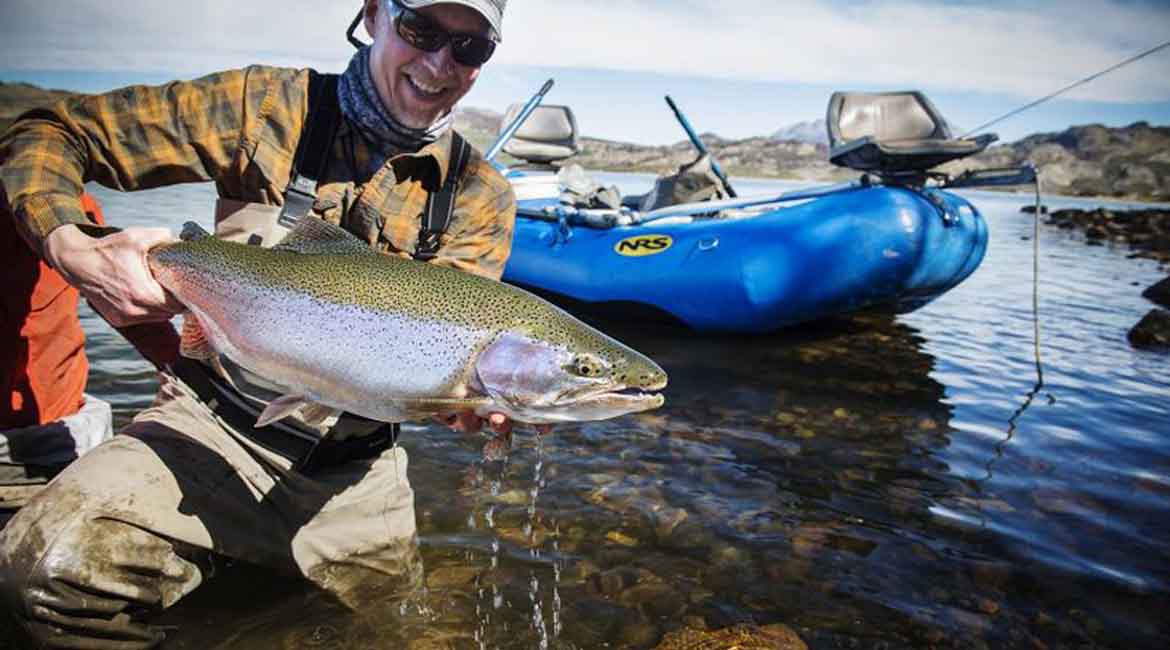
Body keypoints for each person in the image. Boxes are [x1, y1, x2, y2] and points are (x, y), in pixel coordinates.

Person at [0, 1, 515, 647]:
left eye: (471, 48)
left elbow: (446, 359)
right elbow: (50, 131)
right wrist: (71, 247)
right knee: (42, 576)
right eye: (423, 31)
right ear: (375, 15)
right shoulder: (266, 106)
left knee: (387, 633)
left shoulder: (478, 192)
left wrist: (462, 403)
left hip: (355, 467)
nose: (441, 62)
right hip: (206, 424)